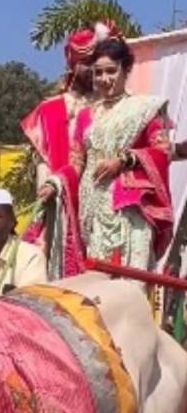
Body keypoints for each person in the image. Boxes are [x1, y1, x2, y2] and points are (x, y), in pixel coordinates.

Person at [76, 35, 173, 272]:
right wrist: (55, 182)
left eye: (111, 71)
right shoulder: (86, 116)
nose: (104, 79)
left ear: (126, 69)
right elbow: (76, 162)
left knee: (132, 286)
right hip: (94, 210)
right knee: (97, 288)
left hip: (131, 212)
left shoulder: (145, 109)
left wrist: (124, 160)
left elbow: (163, 150)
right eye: (98, 73)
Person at [23, 24, 106, 279]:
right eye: (85, 62)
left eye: (95, 61)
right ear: (72, 64)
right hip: (63, 204)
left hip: (103, 199)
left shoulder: (112, 106)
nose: (91, 69)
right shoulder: (49, 111)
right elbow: (43, 163)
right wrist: (49, 191)